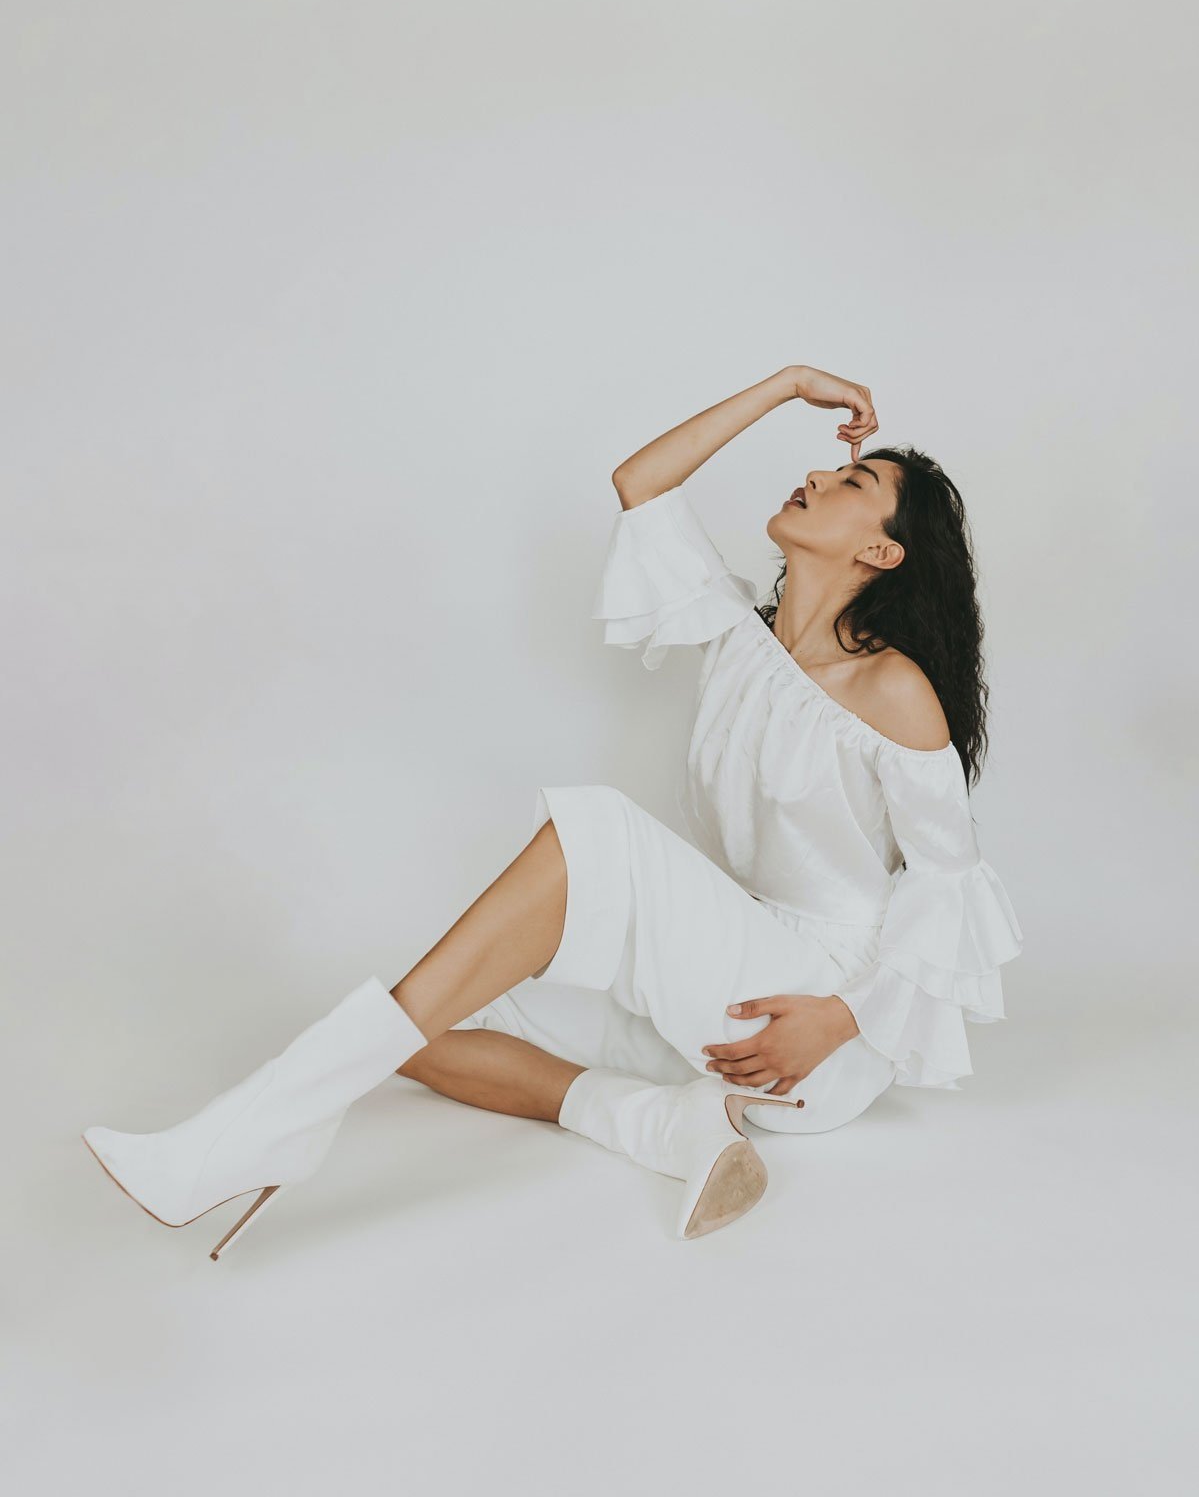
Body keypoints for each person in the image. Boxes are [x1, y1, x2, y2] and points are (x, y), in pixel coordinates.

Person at [82, 363, 1023, 1260]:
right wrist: (785, 384)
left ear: (880, 551)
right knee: (435, 1020)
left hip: (812, 1026)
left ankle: (243, 1138)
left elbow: (949, 886)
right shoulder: (740, 637)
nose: (818, 471)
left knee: (596, 836)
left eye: (853, 479)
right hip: (730, 988)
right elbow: (639, 482)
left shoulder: (890, 687)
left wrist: (841, 1020)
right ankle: (660, 1120)